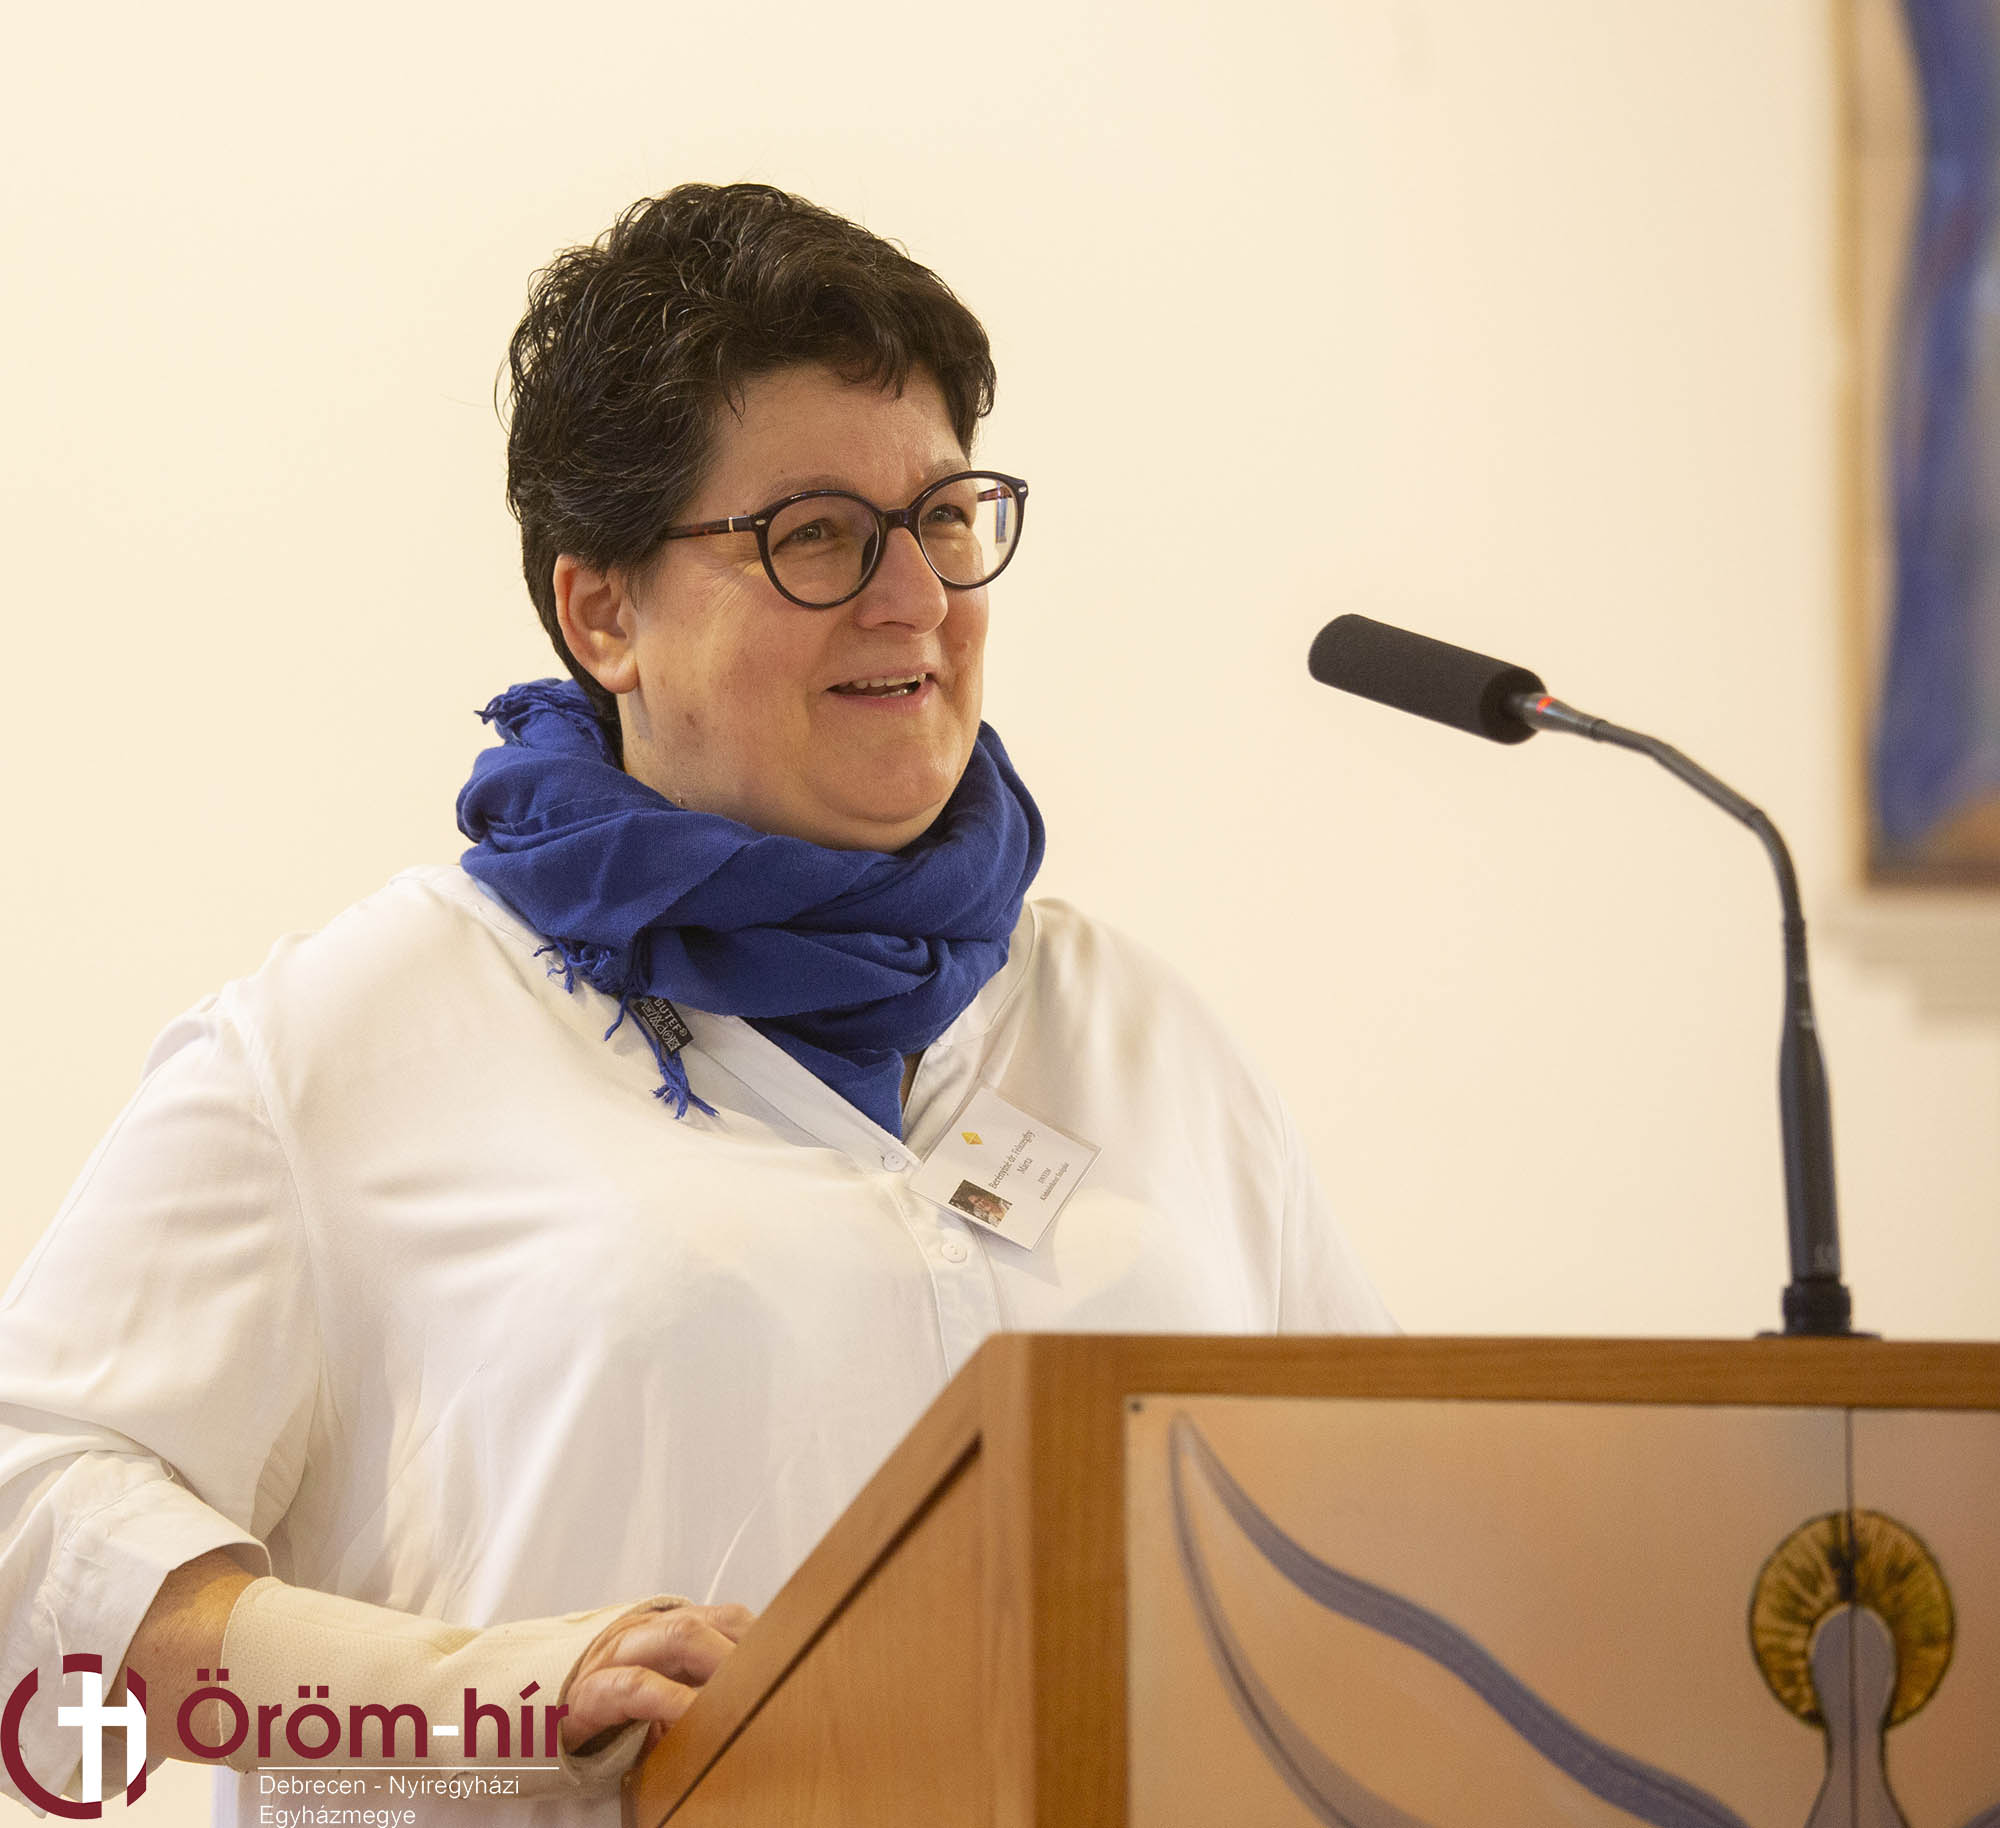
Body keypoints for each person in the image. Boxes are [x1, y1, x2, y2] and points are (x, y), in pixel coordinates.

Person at [0, 182, 1390, 1824]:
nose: (915, 598)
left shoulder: (1140, 1035)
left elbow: (1377, 1534)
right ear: (605, 612)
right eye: (817, 535)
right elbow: (36, 1522)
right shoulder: (356, 1040)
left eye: (945, 517)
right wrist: (474, 1692)